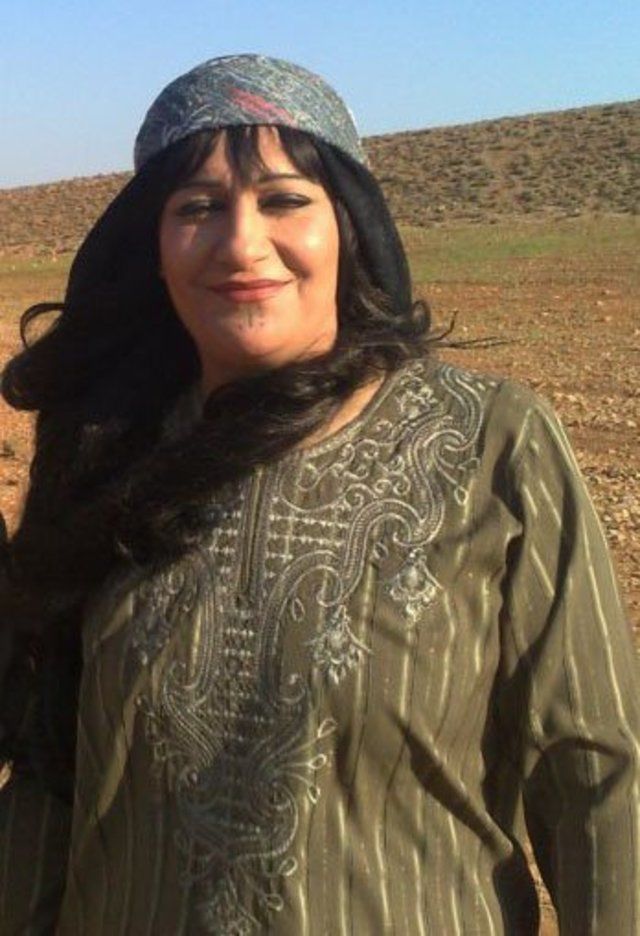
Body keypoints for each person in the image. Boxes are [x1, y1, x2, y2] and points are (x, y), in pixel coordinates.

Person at [0, 53, 638, 936]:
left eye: (284, 200)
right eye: (197, 207)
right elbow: (49, 770)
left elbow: (596, 772)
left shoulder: (489, 442)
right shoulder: (108, 455)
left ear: (349, 225)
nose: (240, 244)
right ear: (153, 247)